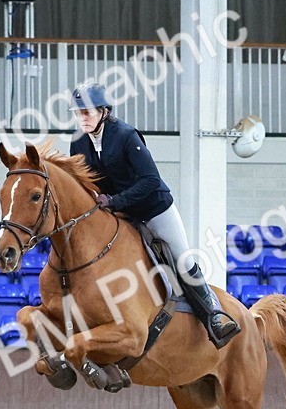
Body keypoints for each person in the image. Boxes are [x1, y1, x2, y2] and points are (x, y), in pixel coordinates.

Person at [68, 83, 240, 348]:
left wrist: (114, 200)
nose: (83, 118)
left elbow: (150, 180)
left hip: (153, 208)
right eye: (79, 113)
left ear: (104, 111)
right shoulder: (78, 142)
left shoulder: (126, 136)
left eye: (87, 112)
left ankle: (214, 316)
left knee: (181, 257)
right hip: (119, 214)